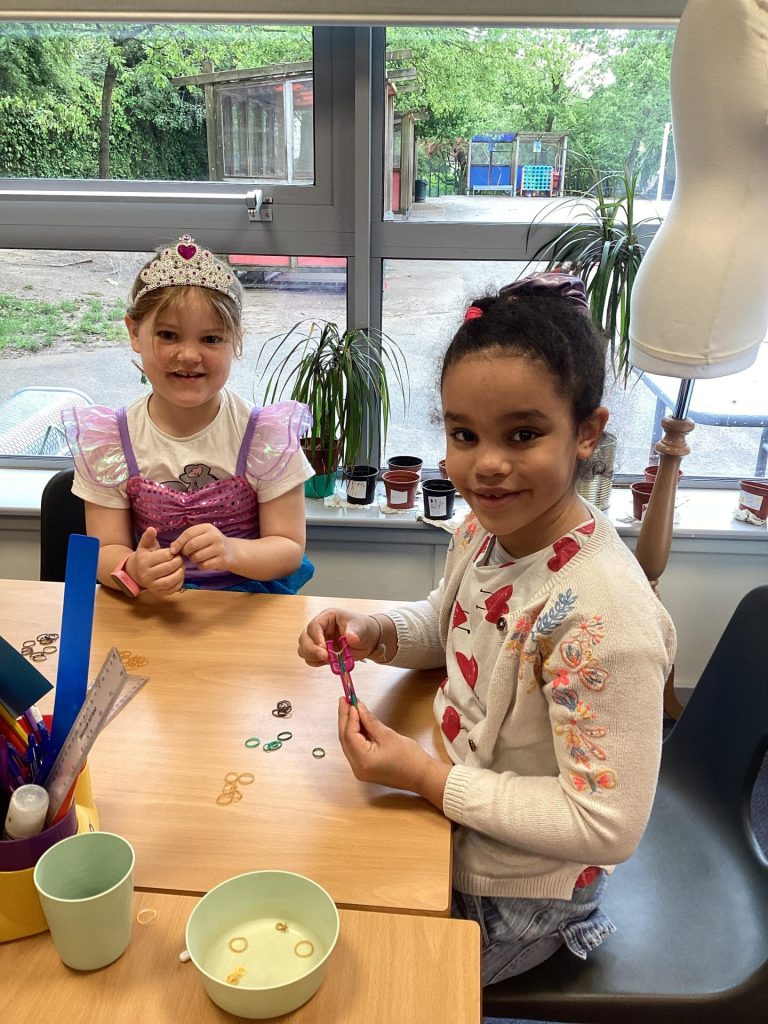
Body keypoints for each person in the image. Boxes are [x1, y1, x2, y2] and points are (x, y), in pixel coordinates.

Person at [297, 273, 676, 984]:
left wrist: (426, 779)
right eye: (463, 435)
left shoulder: (601, 617)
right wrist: (375, 630)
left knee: (357, 980)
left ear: (587, 433)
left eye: (523, 434)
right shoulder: (484, 531)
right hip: (455, 811)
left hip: (521, 896)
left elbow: (606, 824)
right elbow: (451, 624)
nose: (488, 465)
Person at [62, 234, 315, 597]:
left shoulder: (265, 436)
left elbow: (288, 547)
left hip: (245, 607)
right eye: (168, 335)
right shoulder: (111, 440)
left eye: (211, 339)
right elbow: (104, 551)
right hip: (156, 608)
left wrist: (233, 552)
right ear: (134, 332)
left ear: (236, 340)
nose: (189, 355)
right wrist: (133, 567)